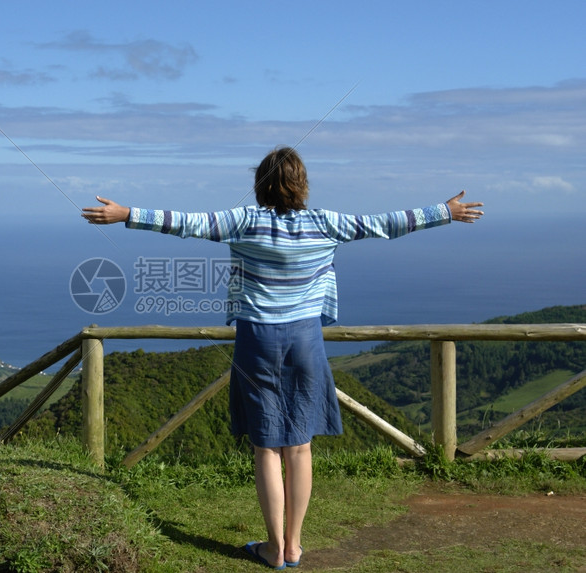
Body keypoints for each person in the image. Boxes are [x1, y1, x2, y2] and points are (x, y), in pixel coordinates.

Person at [81, 146, 484, 569]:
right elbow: (385, 224)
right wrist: (445, 210)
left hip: (257, 340)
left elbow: (187, 224)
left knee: (266, 447)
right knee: (300, 446)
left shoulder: (244, 222)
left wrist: (126, 214)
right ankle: (294, 544)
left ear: (260, 185)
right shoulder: (326, 223)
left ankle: (274, 549)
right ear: (302, 184)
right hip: (306, 340)